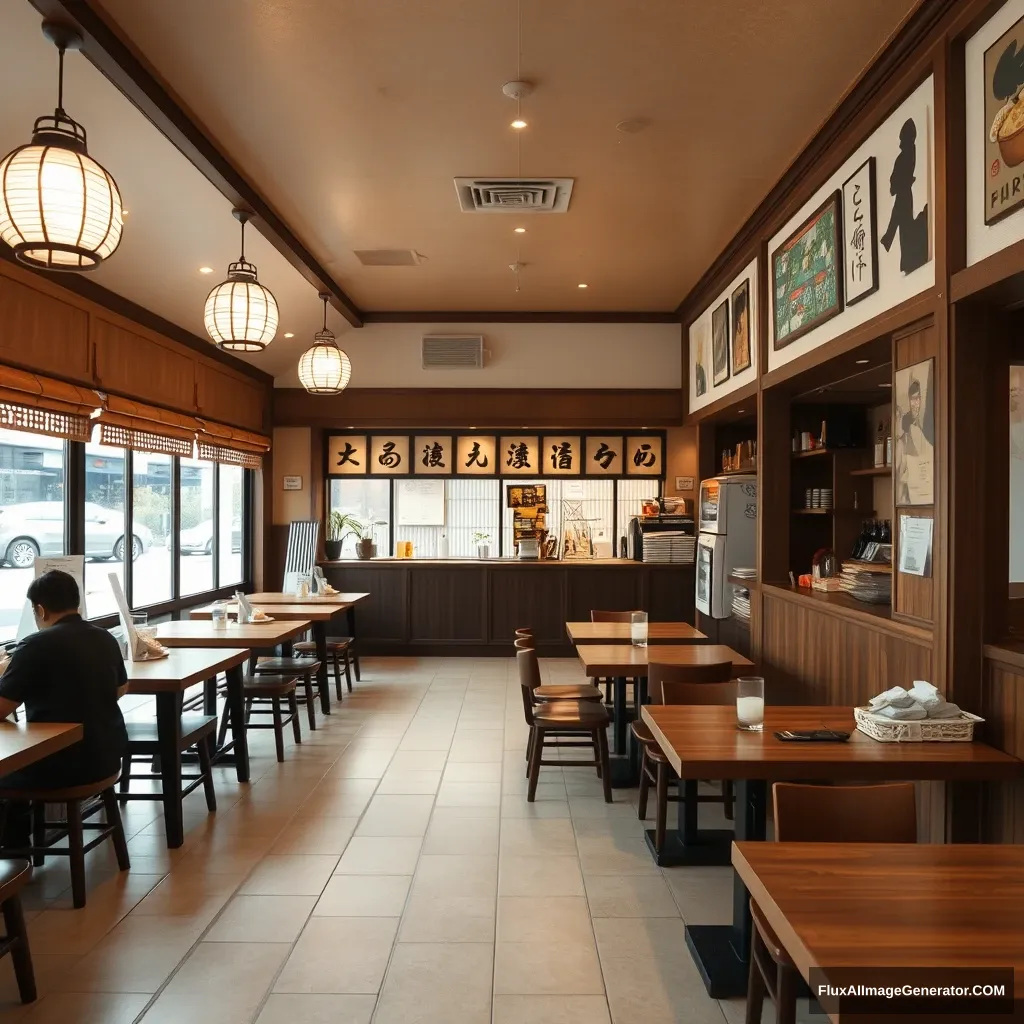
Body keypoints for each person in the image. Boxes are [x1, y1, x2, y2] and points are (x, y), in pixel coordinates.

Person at [0, 570, 128, 791]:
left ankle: (20, 824)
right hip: (108, 760)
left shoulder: (34, 646)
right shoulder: (105, 637)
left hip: (58, 766)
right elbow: (121, 688)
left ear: (40, 610)